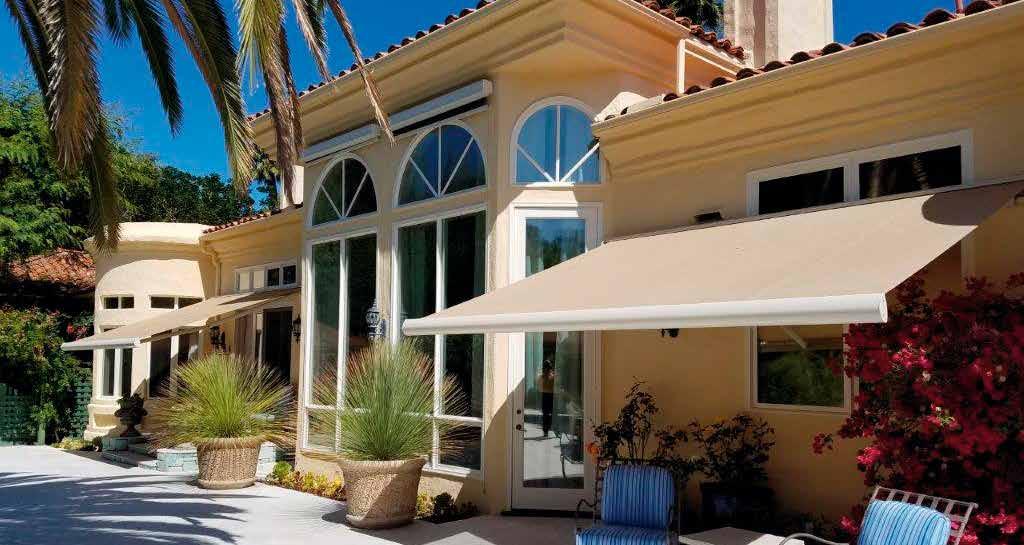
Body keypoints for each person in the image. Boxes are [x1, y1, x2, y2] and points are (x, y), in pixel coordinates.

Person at [537, 360, 556, 437]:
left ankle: (547, 429)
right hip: (546, 395)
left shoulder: (551, 376)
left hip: (549, 395)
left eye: (548, 368)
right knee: (546, 413)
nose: (547, 369)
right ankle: (546, 430)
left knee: (548, 413)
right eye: (546, 368)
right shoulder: (543, 377)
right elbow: (539, 386)